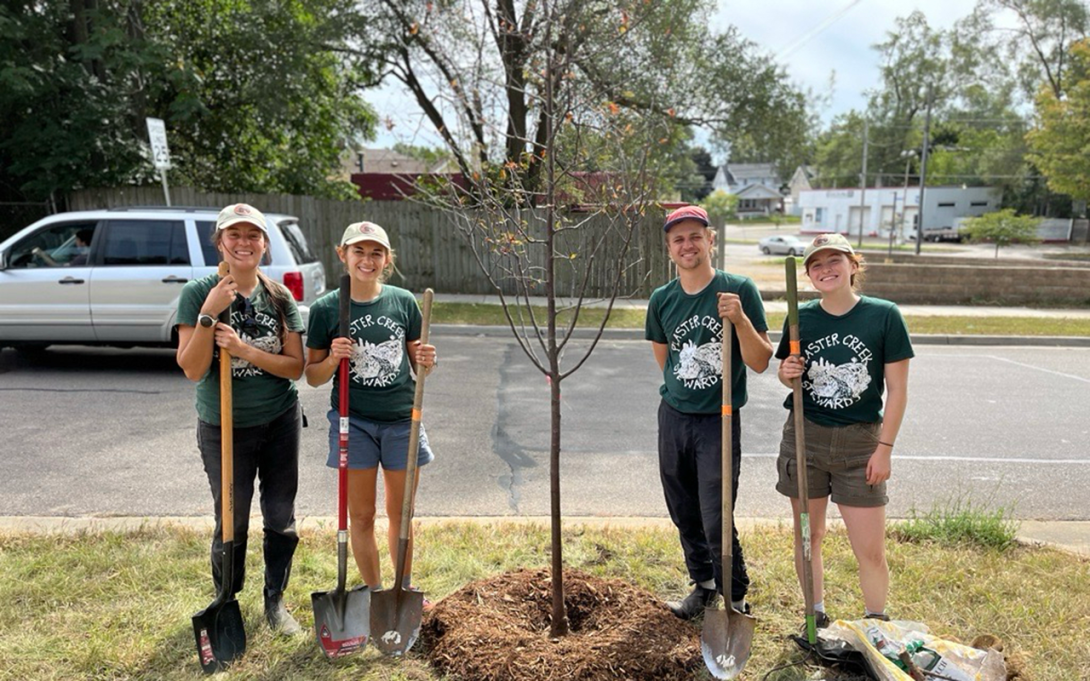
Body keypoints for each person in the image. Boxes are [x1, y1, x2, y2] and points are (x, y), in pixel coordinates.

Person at [175, 203, 306, 635]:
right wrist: (210, 313)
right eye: (235, 235)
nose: (244, 243)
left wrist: (246, 350)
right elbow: (192, 368)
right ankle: (225, 601)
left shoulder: (278, 296)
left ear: (265, 245)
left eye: (253, 236)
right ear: (220, 243)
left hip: (279, 420)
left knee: (280, 515)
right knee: (231, 517)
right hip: (224, 426)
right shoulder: (198, 293)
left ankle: (275, 601)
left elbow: (295, 367)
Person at [775, 233, 912, 629]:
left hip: (861, 445)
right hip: (805, 441)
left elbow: (898, 390)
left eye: (835, 260)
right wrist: (786, 373)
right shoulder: (800, 318)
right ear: (808, 275)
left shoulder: (884, 315)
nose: (826, 269)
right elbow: (790, 375)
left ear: (854, 265)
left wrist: (884, 448)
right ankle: (814, 614)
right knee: (808, 538)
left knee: (869, 548)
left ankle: (875, 623)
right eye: (816, 264)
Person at [645, 205, 773, 620]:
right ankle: (703, 585)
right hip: (674, 417)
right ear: (669, 249)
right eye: (678, 239)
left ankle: (734, 596)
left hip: (718, 420)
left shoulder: (739, 289)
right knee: (682, 508)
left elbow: (759, 360)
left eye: (695, 236)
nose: (688, 245)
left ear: (710, 240)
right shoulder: (662, 300)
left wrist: (738, 321)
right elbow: (665, 359)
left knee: (716, 512)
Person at [305, 221, 437, 595]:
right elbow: (313, 376)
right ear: (342, 254)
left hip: (401, 422)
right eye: (359, 251)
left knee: (402, 513)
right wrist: (332, 359)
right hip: (354, 422)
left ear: (387, 259)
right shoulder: (326, 309)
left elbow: (419, 364)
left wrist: (429, 358)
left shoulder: (402, 301)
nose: (367, 259)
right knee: (361, 515)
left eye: (376, 252)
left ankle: (403, 590)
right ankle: (376, 593)